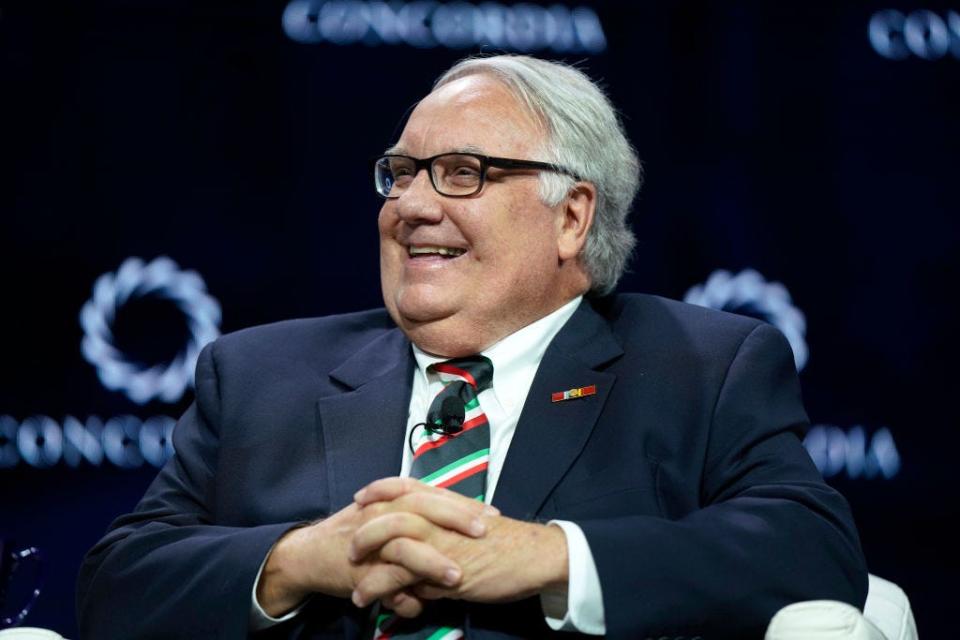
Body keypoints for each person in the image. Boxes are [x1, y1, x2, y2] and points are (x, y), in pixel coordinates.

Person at [77, 54, 867, 639]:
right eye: (402, 173)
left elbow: (811, 555)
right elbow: (116, 585)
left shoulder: (702, 367)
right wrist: (299, 560)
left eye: (464, 173)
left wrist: (550, 559)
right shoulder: (257, 376)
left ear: (572, 218)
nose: (413, 205)